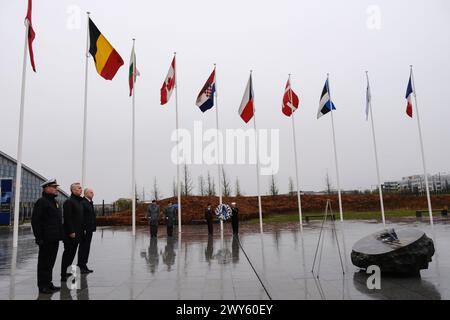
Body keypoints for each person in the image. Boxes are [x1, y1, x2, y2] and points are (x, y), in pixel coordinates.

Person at [31, 179, 64, 294]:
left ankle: (48, 283)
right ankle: (42, 286)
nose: (56, 189)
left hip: (54, 238)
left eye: (56, 187)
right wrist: (38, 238)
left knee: (50, 262)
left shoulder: (54, 202)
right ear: (46, 188)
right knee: (44, 263)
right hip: (45, 239)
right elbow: (35, 221)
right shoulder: (42, 202)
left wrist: (61, 235)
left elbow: (57, 221)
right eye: (54, 187)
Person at [61, 183, 84, 282]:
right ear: (73, 190)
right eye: (79, 188)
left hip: (77, 233)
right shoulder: (69, 202)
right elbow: (68, 218)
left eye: (81, 188)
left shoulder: (78, 202)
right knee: (68, 254)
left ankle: (68, 272)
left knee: (72, 254)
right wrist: (71, 231)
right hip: (70, 234)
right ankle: (63, 275)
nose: (81, 190)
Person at [78, 188, 96, 274]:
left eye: (93, 192)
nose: (93, 193)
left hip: (89, 229)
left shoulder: (89, 202)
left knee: (87, 248)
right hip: (85, 230)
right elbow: (81, 217)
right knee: (83, 248)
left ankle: (84, 265)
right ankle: (81, 265)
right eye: (91, 192)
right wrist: (83, 229)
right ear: (85, 193)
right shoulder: (83, 202)